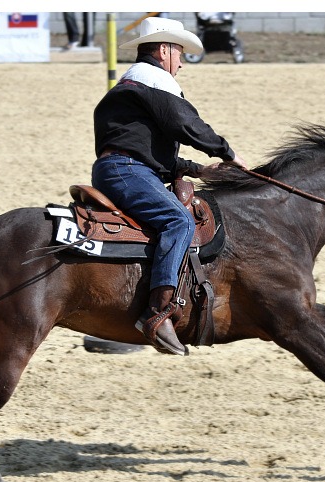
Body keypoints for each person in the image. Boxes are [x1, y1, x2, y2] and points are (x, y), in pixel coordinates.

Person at [91, 17, 247, 356]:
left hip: (120, 168)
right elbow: (185, 123)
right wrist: (225, 151)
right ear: (164, 50)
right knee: (178, 221)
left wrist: (200, 169)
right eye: (178, 53)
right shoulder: (154, 79)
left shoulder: (130, 86)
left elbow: (147, 150)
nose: (181, 63)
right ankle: (159, 312)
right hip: (129, 171)